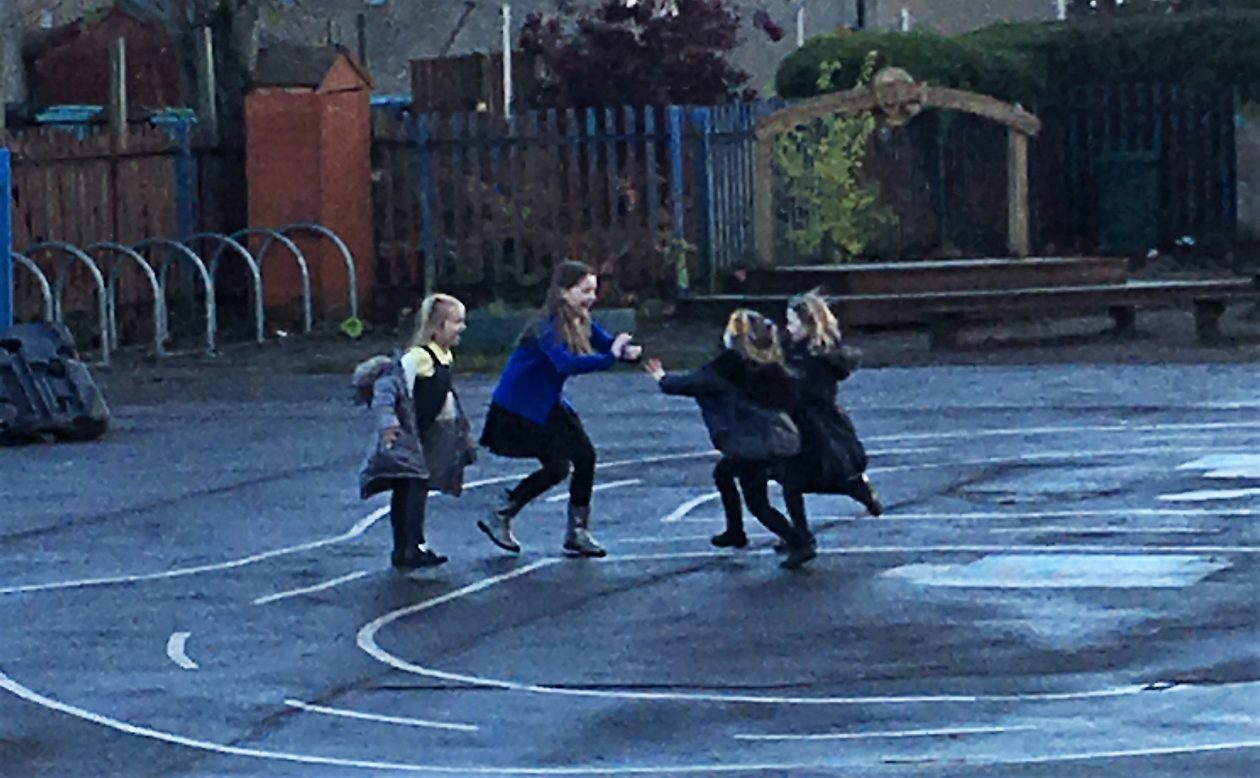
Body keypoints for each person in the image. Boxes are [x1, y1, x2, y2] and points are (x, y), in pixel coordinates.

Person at [478, 260, 642, 557]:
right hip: (520, 406)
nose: (592, 297)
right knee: (570, 461)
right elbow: (565, 363)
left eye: (594, 290)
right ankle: (522, 517)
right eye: (585, 291)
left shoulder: (582, 320)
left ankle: (554, 525)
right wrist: (611, 357)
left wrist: (626, 352)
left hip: (545, 403)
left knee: (570, 462)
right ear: (564, 292)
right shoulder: (547, 325)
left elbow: (606, 343)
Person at [643, 309, 817, 570]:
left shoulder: (726, 367)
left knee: (757, 502)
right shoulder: (767, 365)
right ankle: (736, 530)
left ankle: (799, 542)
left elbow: (693, 383)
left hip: (751, 443)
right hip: (770, 437)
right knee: (723, 473)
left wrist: (662, 378)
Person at [355, 294, 474, 570]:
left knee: (416, 488)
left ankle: (411, 546)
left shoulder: (445, 356)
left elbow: (446, 396)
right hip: (404, 434)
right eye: (457, 322)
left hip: (424, 434)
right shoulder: (418, 357)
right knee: (410, 487)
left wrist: (460, 429)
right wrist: (390, 423)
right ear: (437, 327)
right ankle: (407, 548)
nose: (462, 328)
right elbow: (390, 389)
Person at [777, 291, 882, 550]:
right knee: (791, 481)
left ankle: (858, 489)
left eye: (793, 322)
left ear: (808, 324)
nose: (788, 328)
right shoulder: (790, 349)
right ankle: (801, 535)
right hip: (798, 421)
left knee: (826, 473)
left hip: (819, 424)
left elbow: (814, 391)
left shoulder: (819, 356)